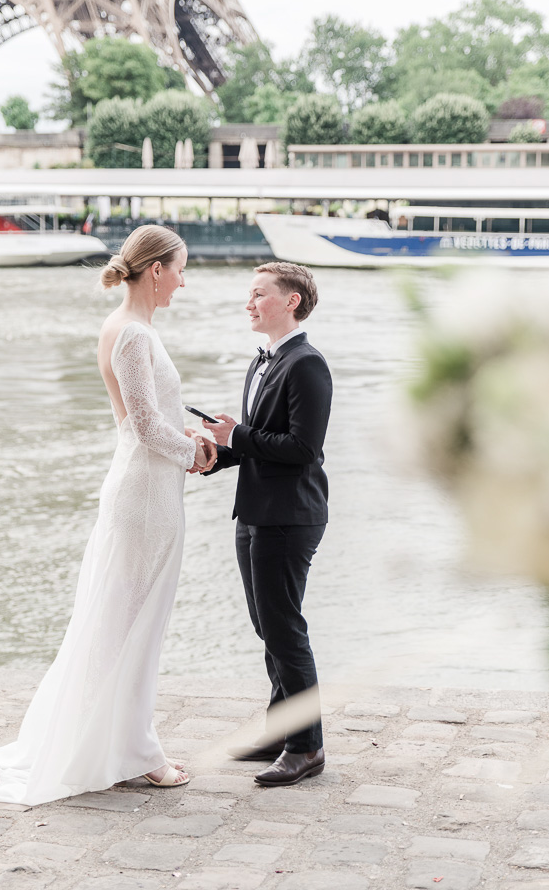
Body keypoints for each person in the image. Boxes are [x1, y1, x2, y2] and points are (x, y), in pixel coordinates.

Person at [0, 225, 216, 805]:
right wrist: (197, 453)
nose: (184, 281)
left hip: (147, 484)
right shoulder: (132, 334)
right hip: (146, 494)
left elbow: (152, 413)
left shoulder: (127, 328)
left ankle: (116, 740)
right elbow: (141, 425)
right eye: (180, 269)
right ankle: (133, 752)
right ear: (155, 270)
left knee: (123, 621)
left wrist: (185, 431)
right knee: (131, 624)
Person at [203, 262, 332, 787]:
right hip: (255, 512)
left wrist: (239, 437)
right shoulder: (263, 361)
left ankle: (307, 747)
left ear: (292, 301)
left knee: (285, 630)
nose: (249, 303)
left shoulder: (307, 365)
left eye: (259, 294)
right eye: (249, 294)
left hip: (289, 517)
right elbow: (257, 442)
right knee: (268, 627)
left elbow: (304, 449)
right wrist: (215, 452)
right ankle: (282, 730)